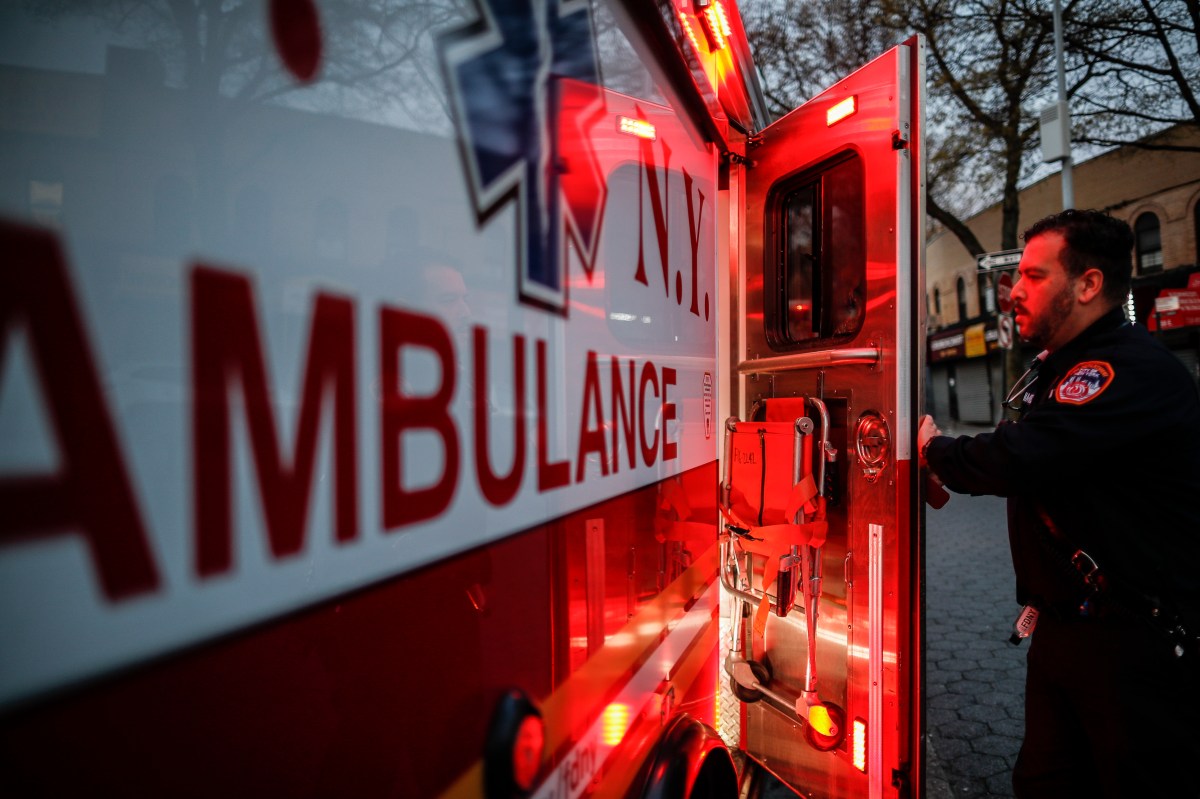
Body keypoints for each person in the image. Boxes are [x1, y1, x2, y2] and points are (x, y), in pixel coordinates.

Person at [918, 209, 1200, 798]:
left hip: (1130, 646)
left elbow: (1023, 455)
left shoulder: (1121, 368)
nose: (1013, 291)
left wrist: (933, 450)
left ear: (1088, 284)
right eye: (1016, 275)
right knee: (1044, 783)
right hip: (1069, 633)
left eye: (1034, 276)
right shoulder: (1065, 365)